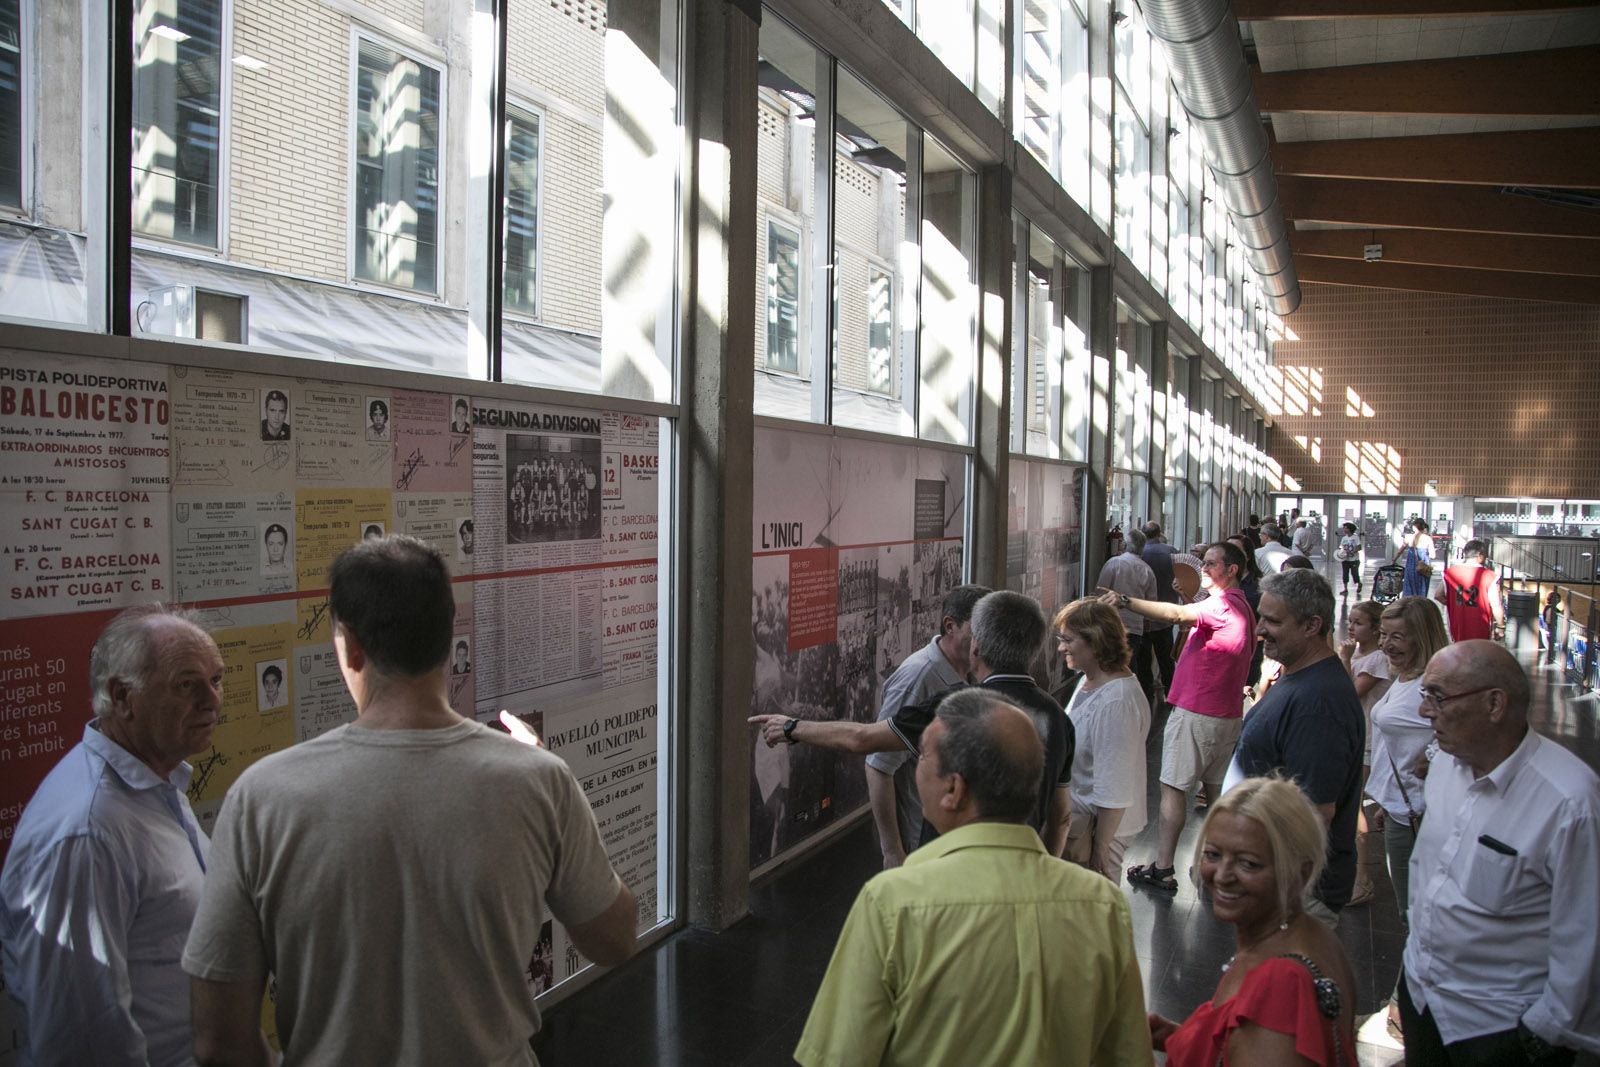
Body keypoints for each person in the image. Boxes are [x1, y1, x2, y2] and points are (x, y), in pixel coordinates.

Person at [182, 536, 637, 1065]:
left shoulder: (260, 798)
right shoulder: (539, 782)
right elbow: (615, 939)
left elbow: (218, 1039)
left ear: (349, 645)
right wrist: (550, 774)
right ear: (448, 639)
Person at [794, 690, 1150, 1067]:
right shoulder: (1102, 906)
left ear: (954, 789)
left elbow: (837, 1058)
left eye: (923, 758)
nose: (917, 769)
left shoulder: (893, 904)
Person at [1, 607, 223, 1066]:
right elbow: (80, 1038)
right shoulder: (88, 832)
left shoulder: (154, 780)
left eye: (216, 680)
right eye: (187, 684)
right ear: (123, 697)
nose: (212, 700)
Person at [750, 590, 1073, 854]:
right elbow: (1061, 817)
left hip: (949, 867)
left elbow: (862, 739)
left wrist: (793, 727)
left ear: (977, 647)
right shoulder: (1058, 717)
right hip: (1021, 867)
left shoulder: (957, 706)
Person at [1400, 641, 1600, 1064]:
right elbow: (1427, 871)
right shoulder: (1445, 767)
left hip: (1499, 1030)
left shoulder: (1570, 802)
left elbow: (1585, 937)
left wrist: (1542, 1031)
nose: (1424, 712)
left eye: (1437, 696)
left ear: (1494, 704)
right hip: (1423, 1001)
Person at [1150, 776, 1358, 1067]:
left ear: (1300, 871)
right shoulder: (1317, 935)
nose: (1222, 875)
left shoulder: (1281, 987)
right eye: (1213, 854)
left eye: (1248, 863)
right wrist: (1183, 1038)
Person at [1105, 542, 1256, 893]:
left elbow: (1174, 617)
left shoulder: (1222, 605)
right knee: (1215, 790)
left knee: (1173, 788)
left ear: (1231, 570)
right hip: (1225, 712)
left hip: (1197, 711)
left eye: (1211, 563)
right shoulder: (1241, 606)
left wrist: (1126, 601)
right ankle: (1214, 860)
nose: (1204, 568)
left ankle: (1163, 867)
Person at [1225, 569, 1365, 925]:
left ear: (1311, 625)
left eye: (1272, 621)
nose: (1259, 630)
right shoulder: (1298, 677)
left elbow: (1313, 812)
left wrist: (1263, 880)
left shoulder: (1320, 703)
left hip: (1294, 895)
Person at [866, 583, 989, 868]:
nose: (983, 640)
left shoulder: (972, 670)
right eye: (977, 630)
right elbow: (878, 766)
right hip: (918, 841)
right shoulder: (919, 677)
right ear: (950, 626)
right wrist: (893, 851)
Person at [1367, 596, 1449, 926]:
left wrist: (1434, 761)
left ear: (1422, 636)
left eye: (1397, 637)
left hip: (1419, 810)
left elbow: (1466, 737)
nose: (1386, 644)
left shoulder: (1431, 687)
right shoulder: (1405, 678)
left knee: (1414, 914)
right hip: (1402, 808)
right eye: (1383, 634)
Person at [1055, 599, 1149, 880]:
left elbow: (1114, 784)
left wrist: (1101, 846)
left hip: (1097, 830)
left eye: (1068, 640)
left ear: (1095, 642)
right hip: (1083, 824)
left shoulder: (1115, 702)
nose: (1061, 647)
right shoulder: (1092, 680)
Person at [1337, 598, 1390, 907]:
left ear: (1374, 627)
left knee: (1355, 806)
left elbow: (1349, 692)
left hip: (1368, 739)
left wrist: (1343, 659)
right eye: (1352, 622)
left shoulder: (1378, 660)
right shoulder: (1361, 653)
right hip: (1355, 736)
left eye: (1358, 623)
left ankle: (1362, 877)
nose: (1352, 627)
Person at [1096, 526, 1157, 706]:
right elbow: (1151, 603)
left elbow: (1100, 592)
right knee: (1129, 667)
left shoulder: (1114, 563)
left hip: (1112, 625)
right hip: (1136, 627)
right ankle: (1129, 704)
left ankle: (1111, 703)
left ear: (1124, 544)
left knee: (1109, 666)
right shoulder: (1147, 570)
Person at [1434, 539, 1505, 643]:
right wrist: (1500, 627)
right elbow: (1496, 605)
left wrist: (1452, 603)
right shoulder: (1489, 576)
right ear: (1480, 555)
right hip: (1481, 627)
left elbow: (1438, 595)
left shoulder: (1450, 573)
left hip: (1457, 626)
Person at [1139, 521, 1179, 700]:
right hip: (1166, 613)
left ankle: (1146, 695)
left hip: (1143, 614)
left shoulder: (1139, 554)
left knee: (1143, 659)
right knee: (1165, 658)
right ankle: (1170, 693)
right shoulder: (1171, 552)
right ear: (1159, 533)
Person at [1395, 517, 1433, 598]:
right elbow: (1433, 555)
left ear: (1414, 526)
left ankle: (1409, 603)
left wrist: (1394, 560)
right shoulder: (1428, 538)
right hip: (1423, 566)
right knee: (1422, 585)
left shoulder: (1409, 537)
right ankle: (1421, 603)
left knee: (1409, 585)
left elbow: (1400, 551)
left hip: (1411, 566)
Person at [1335, 522, 1364, 598]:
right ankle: (1345, 589)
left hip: (1354, 560)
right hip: (1345, 559)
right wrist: (1341, 553)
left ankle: (1359, 583)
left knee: (1354, 574)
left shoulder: (1355, 537)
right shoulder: (1344, 538)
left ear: (1350, 529)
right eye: (1344, 528)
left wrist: (1352, 551)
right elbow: (1341, 547)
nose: (1344, 529)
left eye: (1345, 528)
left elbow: (1359, 547)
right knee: (1345, 574)